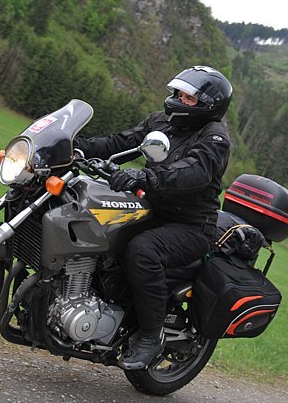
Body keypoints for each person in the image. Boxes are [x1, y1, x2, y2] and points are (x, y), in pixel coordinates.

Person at [74, 65, 232, 370]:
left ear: (209, 106)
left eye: (188, 98)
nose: (179, 100)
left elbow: (192, 171)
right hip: (150, 211)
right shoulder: (162, 122)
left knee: (144, 250)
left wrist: (143, 178)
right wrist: (73, 145)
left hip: (190, 226)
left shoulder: (214, 138)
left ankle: (150, 335)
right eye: (178, 94)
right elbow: (120, 143)